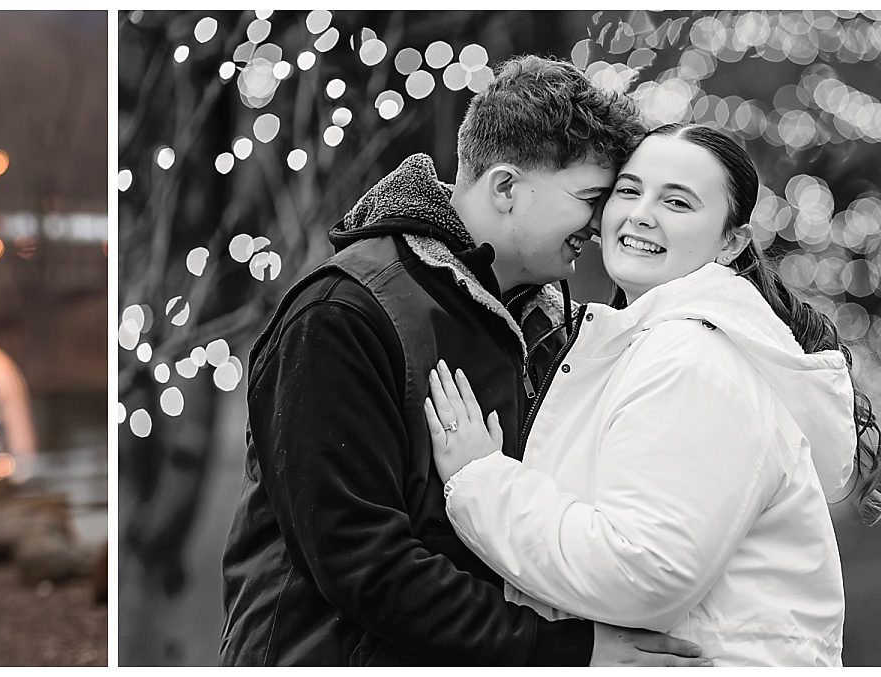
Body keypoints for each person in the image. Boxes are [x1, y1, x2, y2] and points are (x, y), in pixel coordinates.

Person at [221, 55, 706, 666]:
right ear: (505, 188)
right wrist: (562, 652)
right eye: (592, 197)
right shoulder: (342, 315)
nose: (605, 220)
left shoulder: (558, 330)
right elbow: (361, 561)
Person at [424, 122, 881, 666]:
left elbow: (645, 571)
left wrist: (480, 481)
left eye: (677, 202)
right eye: (629, 190)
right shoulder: (649, 346)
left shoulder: (693, 358)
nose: (642, 213)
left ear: (730, 242)